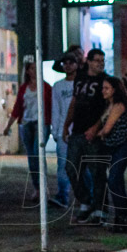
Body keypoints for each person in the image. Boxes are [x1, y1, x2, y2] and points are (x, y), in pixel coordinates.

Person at [64, 49, 109, 223]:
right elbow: (74, 101)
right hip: (77, 130)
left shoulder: (105, 80)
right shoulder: (80, 78)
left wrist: (96, 127)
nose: (100, 63)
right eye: (97, 60)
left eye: (102, 60)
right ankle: (85, 201)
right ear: (89, 61)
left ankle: (100, 208)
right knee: (71, 168)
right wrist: (66, 124)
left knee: (97, 171)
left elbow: (107, 108)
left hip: (95, 133)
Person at [4, 60, 54, 203]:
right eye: (31, 68)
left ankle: (43, 188)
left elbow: (51, 106)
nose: (34, 70)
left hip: (41, 123)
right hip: (26, 123)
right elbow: (18, 108)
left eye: (36, 68)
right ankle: (37, 188)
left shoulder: (46, 87)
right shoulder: (23, 88)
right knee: (32, 157)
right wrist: (9, 126)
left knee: (39, 155)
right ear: (27, 71)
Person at [97, 76, 127, 232]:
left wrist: (99, 134)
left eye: (106, 88)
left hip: (123, 146)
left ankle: (122, 218)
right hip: (114, 147)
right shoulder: (110, 105)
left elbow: (107, 128)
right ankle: (121, 219)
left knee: (114, 180)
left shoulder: (119, 106)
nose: (103, 91)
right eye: (103, 88)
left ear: (114, 90)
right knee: (116, 182)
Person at [51, 51, 81, 208]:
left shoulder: (81, 83)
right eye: (65, 63)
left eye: (71, 62)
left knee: (82, 166)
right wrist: (56, 131)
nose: (68, 65)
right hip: (64, 131)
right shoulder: (58, 86)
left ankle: (86, 198)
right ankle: (63, 195)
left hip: (80, 130)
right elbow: (56, 109)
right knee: (63, 165)